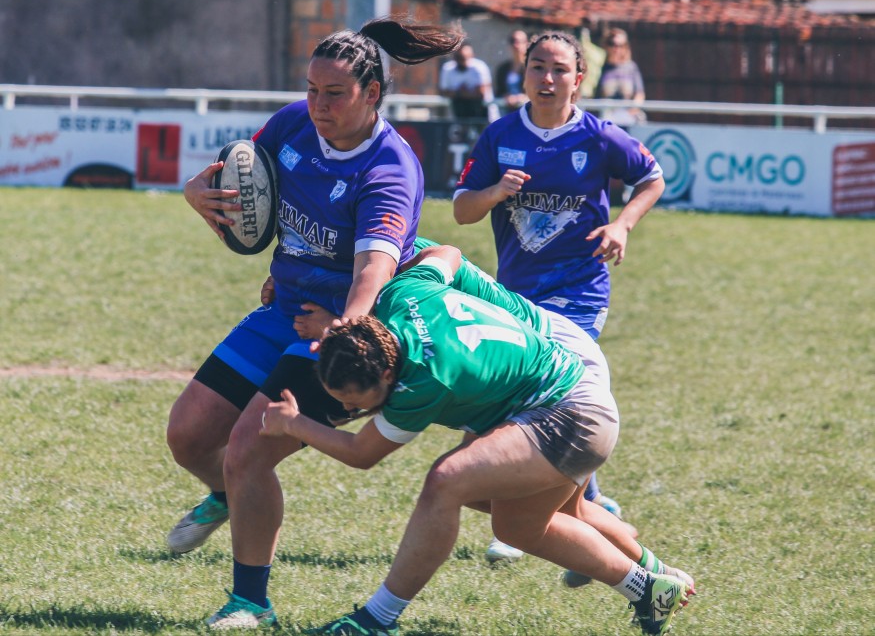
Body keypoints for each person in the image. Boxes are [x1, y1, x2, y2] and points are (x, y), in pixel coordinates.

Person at [164, 16, 463, 629]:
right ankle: (229, 495)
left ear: (372, 94)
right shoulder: (292, 124)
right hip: (285, 309)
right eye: (311, 89)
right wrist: (200, 196)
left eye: (334, 94)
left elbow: (372, 272)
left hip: (343, 329)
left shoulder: (389, 169)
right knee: (189, 436)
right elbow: (242, 180)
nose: (318, 105)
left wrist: (341, 332)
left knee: (248, 449)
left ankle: (251, 603)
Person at [260, 248, 694, 636]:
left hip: (573, 411)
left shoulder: (422, 379)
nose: (350, 410)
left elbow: (361, 453)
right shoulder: (402, 294)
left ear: (388, 374)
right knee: (518, 527)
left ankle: (377, 619)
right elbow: (444, 252)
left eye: (356, 402)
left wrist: (294, 423)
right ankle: (649, 588)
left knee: (447, 480)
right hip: (562, 392)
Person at [452, 31, 665, 559]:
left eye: (560, 69)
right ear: (523, 73)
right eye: (538, 67)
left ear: (578, 79)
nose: (547, 79)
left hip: (580, 291)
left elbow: (652, 178)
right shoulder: (500, 136)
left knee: (547, 390)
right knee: (542, 394)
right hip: (515, 298)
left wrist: (623, 225)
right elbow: (462, 210)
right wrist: (495, 192)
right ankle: (590, 509)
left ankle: (528, 522)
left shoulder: (599, 137)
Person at [595, 28, 646, 129]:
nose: (616, 49)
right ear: (606, 45)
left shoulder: (631, 67)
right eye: (612, 44)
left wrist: (633, 109)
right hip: (607, 115)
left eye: (621, 45)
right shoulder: (600, 67)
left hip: (628, 114)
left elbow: (639, 93)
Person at [438, 42, 494, 121]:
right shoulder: (448, 68)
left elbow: (481, 93)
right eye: (459, 57)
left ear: (472, 56)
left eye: (465, 57)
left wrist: (457, 94)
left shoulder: (480, 67)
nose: (463, 61)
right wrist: (465, 93)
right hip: (459, 115)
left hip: (483, 115)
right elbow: (444, 92)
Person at [493, 29, 529, 111]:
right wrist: (506, 97)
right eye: (513, 41)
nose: (516, 45)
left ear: (527, 44)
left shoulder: (531, 68)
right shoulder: (503, 68)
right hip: (507, 110)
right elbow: (498, 92)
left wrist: (523, 97)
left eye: (519, 42)